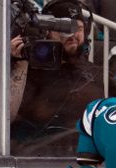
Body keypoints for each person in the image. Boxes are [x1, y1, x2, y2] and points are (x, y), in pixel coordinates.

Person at [9, 0, 104, 156]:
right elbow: (6, 116)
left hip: (82, 157)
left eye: (78, 28)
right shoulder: (29, 66)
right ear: (47, 31)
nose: (72, 34)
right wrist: (19, 63)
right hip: (33, 160)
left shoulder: (93, 71)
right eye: (64, 28)